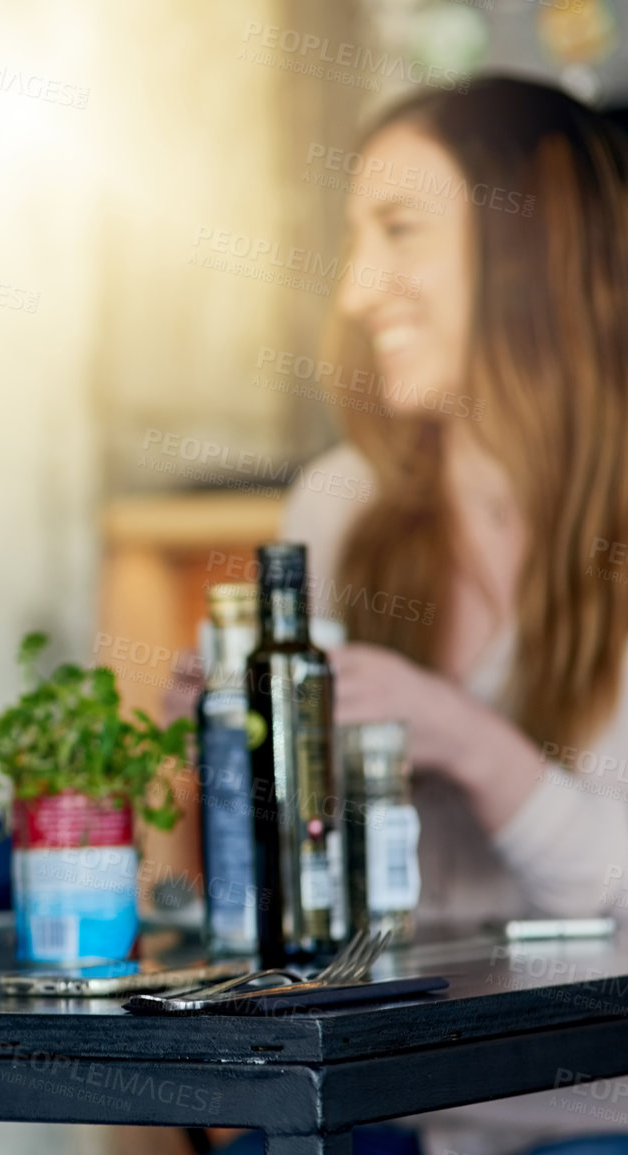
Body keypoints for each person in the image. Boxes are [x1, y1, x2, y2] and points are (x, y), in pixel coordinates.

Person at [279, 76, 628, 1155]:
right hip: (391, 1117)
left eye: (399, 232)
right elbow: (316, 922)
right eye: (353, 240)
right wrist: (248, 761)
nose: (355, 289)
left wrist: (469, 741)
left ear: (536, 249)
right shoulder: (337, 510)